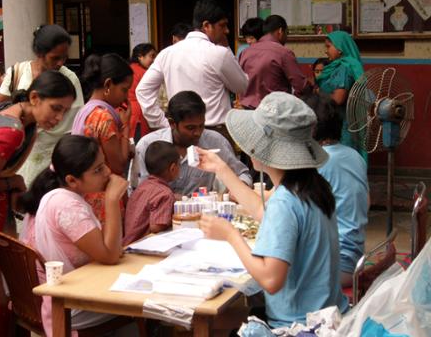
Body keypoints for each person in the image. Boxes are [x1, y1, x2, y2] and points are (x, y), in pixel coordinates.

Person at [196, 91, 348, 328]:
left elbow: (271, 279)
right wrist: (222, 170)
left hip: (297, 326)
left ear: (262, 148)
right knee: (219, 318)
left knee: (209, 321)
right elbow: (261, 211)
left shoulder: (285, 201)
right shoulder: (310, 186)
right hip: (326, 315)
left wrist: (230, 235)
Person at [18, 135, 128, 336]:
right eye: (98, 170)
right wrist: (112, 200)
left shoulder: (60, 196)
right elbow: (110, 255)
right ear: (71, 180)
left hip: (63, 293)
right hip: (69, 303)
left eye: (104, 164)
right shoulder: (67, 205)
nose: (108, 172)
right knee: (140, 305)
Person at [0, 25, 84, 186]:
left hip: (50, 156)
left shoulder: (70, 78)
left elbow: (74, 125)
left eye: (64, 58)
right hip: (15, 158)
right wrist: (15, 183)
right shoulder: (11, 131)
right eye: (55, 58)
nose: (60, 63)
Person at [0, 70, 76, 235]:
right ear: (35, 98)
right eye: (56, 108)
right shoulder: (11, 131)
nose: (59, 118)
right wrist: (14, 181)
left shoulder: (15, 111)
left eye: (64, 111)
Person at [137, 0, 248, 145]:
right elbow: (242, 86)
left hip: (181, 132)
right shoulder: (219, 53)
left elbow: (143, 91)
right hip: (216, 132)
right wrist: (227, 49)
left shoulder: (167, 53)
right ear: (206, 26)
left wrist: (162, 123)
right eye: (222, 25)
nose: (226, 31)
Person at [304, 94, 368, 288]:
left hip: (336, 266)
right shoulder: (354, 155)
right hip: (356, 257)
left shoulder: (318, 162)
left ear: (310, 129)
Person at [136, 91, 251, 196]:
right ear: (172, 123)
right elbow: (138, 191)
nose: (197, 133)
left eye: (201, 126)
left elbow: (243, 174)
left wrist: (237, 190)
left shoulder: (216, 142)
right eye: (190, 128)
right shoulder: (146, 145)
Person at [72, 53, 133, 222]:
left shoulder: (84, 111)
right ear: (108, 85)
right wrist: (126, 126)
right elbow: (118, 164)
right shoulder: (103, 117)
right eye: (124, 89)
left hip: (84, 192)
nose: (126, 97)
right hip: (102, 198)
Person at [239, 15, 311, 110]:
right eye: (287, 33)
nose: (286, 37)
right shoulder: (283, 53)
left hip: (248, 111)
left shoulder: (245, 53)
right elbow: (301, 86)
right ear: (280, 31)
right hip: (275, 113)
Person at [315, 31, 367, 161]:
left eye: (328, 46)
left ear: (340, 49)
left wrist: (318, 94)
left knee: (344, 157)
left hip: (343, 122)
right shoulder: (347, 65)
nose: (326, 51)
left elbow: (338, 98)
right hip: (346, 120)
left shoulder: (344, 68)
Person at [123, 141, 179, 245]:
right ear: (173, 168)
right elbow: (156, 227)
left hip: (127, 243)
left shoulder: (142, 187)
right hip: (141, 247)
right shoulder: (165, 194)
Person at [128, 43, 156, 140]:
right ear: (140, 57)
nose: (153, 60)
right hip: (139, 113)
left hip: (128, 112)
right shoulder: (145, 73)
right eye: (151, 56)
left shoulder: (129, 68)